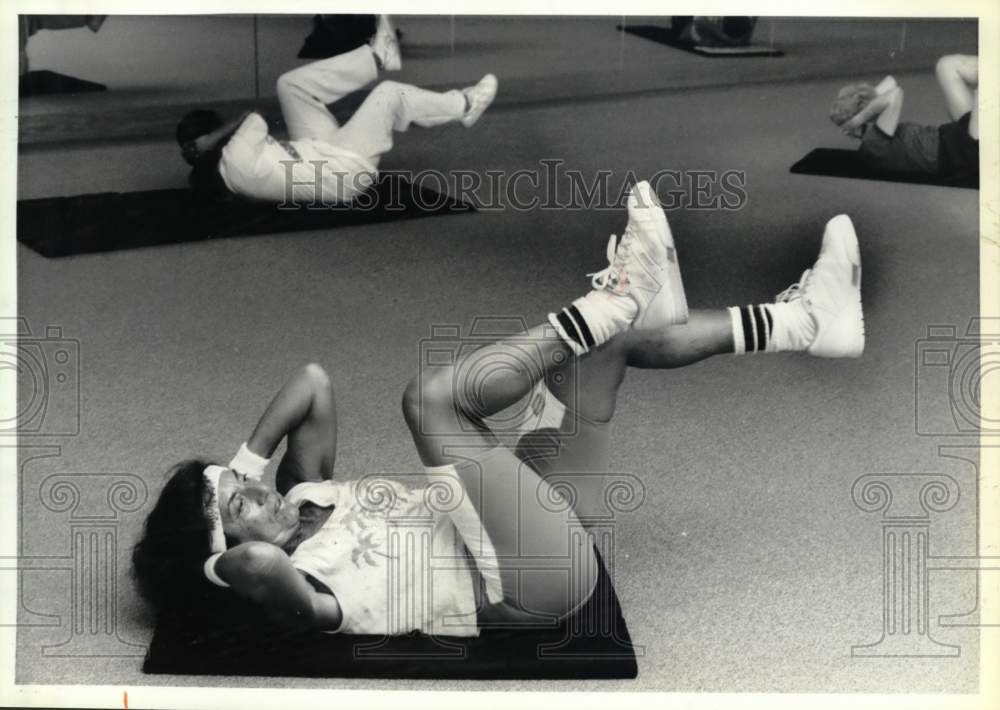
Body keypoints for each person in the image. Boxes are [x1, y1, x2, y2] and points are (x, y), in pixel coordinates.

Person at [132, 180, 865, 636]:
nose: (257, 491)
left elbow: (312, 382)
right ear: (221, 551)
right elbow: (256, 562)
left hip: (537, 515)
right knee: (426, 401)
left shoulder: (300, 488)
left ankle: (805, 325)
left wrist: (237, 470)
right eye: (238, 505)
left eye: (241, 480)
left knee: (609, 347)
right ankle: (612, 300)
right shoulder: (301, 594)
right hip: (524, 583)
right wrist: (213, 561)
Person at [175, 20, 498, 205]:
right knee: (388, 95)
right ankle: (465, 106)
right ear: (210, 141)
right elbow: (253, 115)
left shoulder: (230, 169)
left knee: (289, 85)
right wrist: (209, 140)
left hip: (317, 152)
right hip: (344, 170)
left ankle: (377, 57)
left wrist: (203, 148)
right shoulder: (236, 158)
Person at [830, 54, 979, 184]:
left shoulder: (876, 127)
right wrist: (858, 119)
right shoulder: (874, 143)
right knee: (987, 85)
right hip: (964, 154)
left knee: (946, 65)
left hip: (958, 137)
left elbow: (890, 81)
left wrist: (863, 103)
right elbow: (895, 93)